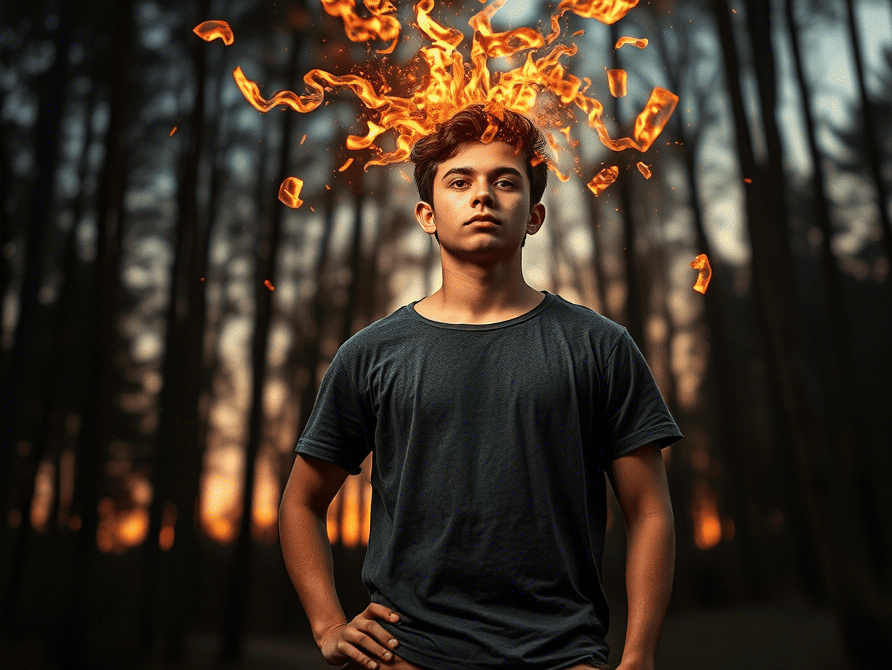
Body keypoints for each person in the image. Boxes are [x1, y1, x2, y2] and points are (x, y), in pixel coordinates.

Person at [278, 104, 681, 670]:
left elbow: (651, 512)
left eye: (505, 182)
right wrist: (328, 624)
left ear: (535, 215)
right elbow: (300, 503)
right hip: (408, 655)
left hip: (562, 654)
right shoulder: (370, 355)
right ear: (427, 213)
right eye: (460, 181)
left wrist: (639, 656)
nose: (482, 196)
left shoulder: (600, 347)